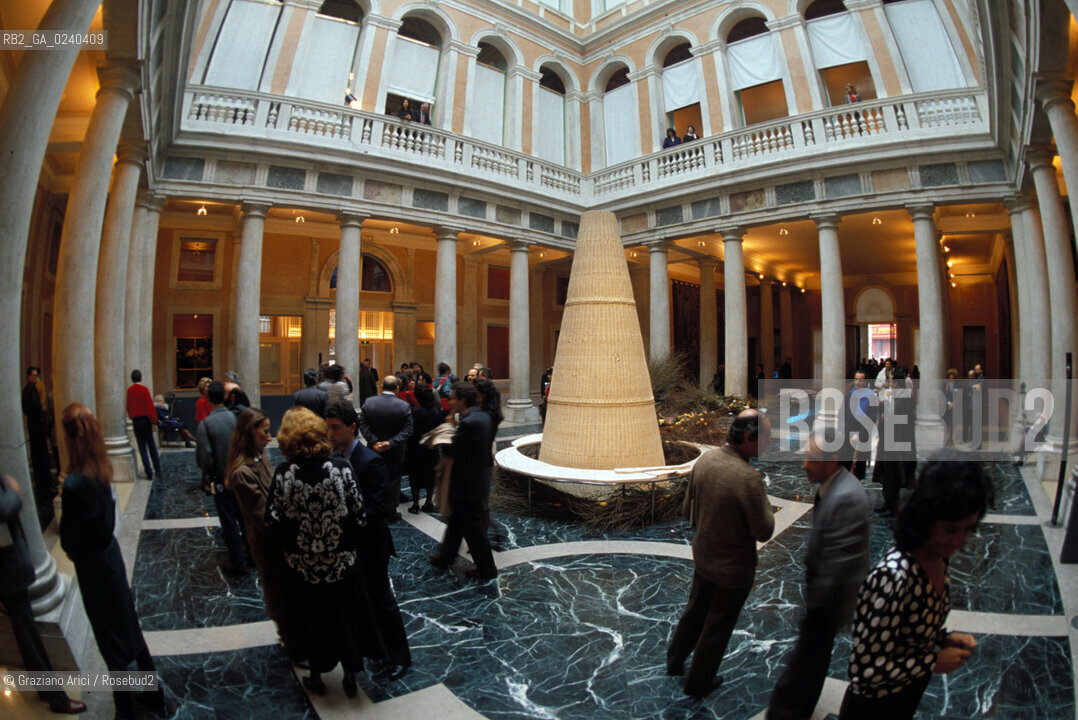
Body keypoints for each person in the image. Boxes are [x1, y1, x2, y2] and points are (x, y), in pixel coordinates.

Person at [838, 452, 994, 719]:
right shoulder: (893, 578)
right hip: (873, 708)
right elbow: (864, 671)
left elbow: (907, 631)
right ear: (926, 517)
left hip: (905, 695)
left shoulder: (938, 558)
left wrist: (943, 638)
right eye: (950, 529)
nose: (960, 541)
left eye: (969, 529)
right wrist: (932, 661)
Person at [265, 407, 384, 697]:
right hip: (342, 563)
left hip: (302, 567)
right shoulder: (341, 468)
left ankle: (316, 675)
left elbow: (272, 521)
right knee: (345, 617)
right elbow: (360, 515)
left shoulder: (284, 474)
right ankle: (350, 675)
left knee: (311, 621)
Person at [58, 404, 165, 719]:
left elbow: (68, 539)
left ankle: (124, 710)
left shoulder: (74, 483)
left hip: (92, 566)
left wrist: (73, 548)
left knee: (109, 639)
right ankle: (153, 694)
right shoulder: (100, 468)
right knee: (129, 625)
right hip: (111, 557)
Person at [667, 409, 774, 697]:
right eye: (766, 437)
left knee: (695, 610)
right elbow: (764, 530)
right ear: (749, 437)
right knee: (717, 626)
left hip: (703, 555)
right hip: (733, 569)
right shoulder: (748, 478)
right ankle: (698, 681)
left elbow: (687, 510)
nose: (769, 442)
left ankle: (674, 660)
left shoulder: (706, 459)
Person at [766, 427, 871, 720]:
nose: (804, 464)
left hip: (828, 603)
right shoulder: (831, 486)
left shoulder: (846, 497)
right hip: (823, 601)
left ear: (832, 459)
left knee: (805, 665)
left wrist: (816, 608)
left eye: (811, 458)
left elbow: (840, 563)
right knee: (811, 663)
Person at [325, 401, 412, 680]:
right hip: (348, 545)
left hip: (372, 544)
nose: (331, 433)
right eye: (328, 428)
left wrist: (345, 518)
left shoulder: (370, 461)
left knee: (381, 599)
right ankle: (373, 649)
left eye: (336, 428)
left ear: (352, 428)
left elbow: (380, 508)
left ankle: (399, 656)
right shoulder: (333, 459)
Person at [0, 473, 86, 714]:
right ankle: (55, 698)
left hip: (7, 565)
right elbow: (5, 507)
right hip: (6, 569)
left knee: (25, 632)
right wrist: (14, 491)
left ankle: (45, 689)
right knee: (27, 634)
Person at [225, 407, 290, 654]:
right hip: (267, 544)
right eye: (265, 432)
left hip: (277, 540)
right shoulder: (242, 473)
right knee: (277, 596)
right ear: (250, 433)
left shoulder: (259, 457)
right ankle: (290, 644)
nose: (270, 437)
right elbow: (262, 517)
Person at [427, 382, 498, 580]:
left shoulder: (469, 422)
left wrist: (448, 427)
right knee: (457, 522)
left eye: (453, 399)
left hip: (466, 483)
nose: (450, 402)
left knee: (473, 529)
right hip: (476, 480)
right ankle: (445, 557)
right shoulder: (484, 416)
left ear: (463, 400)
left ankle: (487, 569)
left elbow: (452, 450)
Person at [195, 381, 247, 574]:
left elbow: (204, 458)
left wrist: (210, 474)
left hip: (221, 479)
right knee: (243, 517)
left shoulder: (206, 424)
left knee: (228, 521)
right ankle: (252, 554)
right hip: (239, 474)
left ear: (208, 399)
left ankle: (237, 561)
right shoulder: (235, 418)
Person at [359, 375, 414, 521]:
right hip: (394, 450)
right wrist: (391, 443)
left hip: (374, 449)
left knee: (374, 478)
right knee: (393, 480)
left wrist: (374, 441)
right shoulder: (404, 406)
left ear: (382, 387)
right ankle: (391, 511)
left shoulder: (369, 402)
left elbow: (362, 425)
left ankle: (374, 508)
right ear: (397, 388)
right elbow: (408, 430)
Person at [873, 369, 916, 517]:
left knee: (893, 475)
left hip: (897, 441)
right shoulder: (898, 396)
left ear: (896, 383)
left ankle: (893, 507)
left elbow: (893, 417)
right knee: (887, 473)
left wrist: (886, 405)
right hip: (889, 439)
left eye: (892, 381)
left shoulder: (904, 397)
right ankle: (888, 502)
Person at [21, 365, 56, 528]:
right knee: (39, 458)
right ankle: (43, 487)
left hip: (37, 428)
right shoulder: (29, 390)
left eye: (37, 375)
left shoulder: (33, 388)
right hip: (36, 429)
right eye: (33, 375)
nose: (36, 378)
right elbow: (32, 408)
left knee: (42, 458)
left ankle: (46, 486)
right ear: (28, 376)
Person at [407, 382, 444, 513]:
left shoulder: (415, 412)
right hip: (432, 448)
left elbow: (412, 431)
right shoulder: (436, 411)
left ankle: (415, 504)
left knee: (415, 476)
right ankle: (429, 502)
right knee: (430, 477)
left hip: (417, 449)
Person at [125, 369, 161, 480]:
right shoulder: (144, 390)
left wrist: (132, 416)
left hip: (136, 421)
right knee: (151, 445)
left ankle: (148, 472)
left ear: (132, 379)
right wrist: (154, 421)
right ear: (141, 378)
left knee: (142, 448)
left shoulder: (129, 391)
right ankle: (157, 468)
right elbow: (149, 407)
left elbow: (128, 407)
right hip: (145, 421)